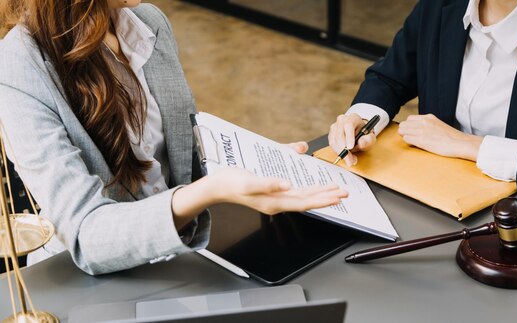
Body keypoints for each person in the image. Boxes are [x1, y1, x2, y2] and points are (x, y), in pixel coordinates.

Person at [0, 0, 348, 275]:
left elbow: (176, 152)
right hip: (92, 279)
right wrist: (211, 191)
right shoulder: (19, 66)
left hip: (181, 251)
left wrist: (247, 161)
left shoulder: (148, 22)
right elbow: (87, 235)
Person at [329, 0, 517, 205]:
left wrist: (470, 146)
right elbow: (390, 78)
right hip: (432, 195)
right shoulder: (441, 5)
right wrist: (362, 117)